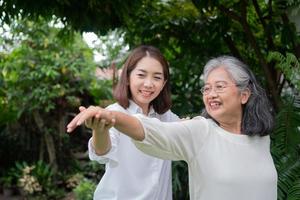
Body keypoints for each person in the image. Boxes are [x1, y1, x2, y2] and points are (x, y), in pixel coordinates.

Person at [67, 55, 278, 200]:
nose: (211, 94)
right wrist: (110, 118)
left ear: (244, 94)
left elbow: (170, 128)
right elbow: (148, 132)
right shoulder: (200, 130)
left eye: (219, 87)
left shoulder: (260, 138)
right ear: (128, 78)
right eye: (207, 88)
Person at [72, 45, 179, 200]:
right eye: (141, 75)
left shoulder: (166, 117)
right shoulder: (113, 113)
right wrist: (100, 130)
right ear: (128, 78)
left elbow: (187, 133)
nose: (148, 84)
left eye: (157, 77)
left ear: (163, 84)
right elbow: (102, 151)